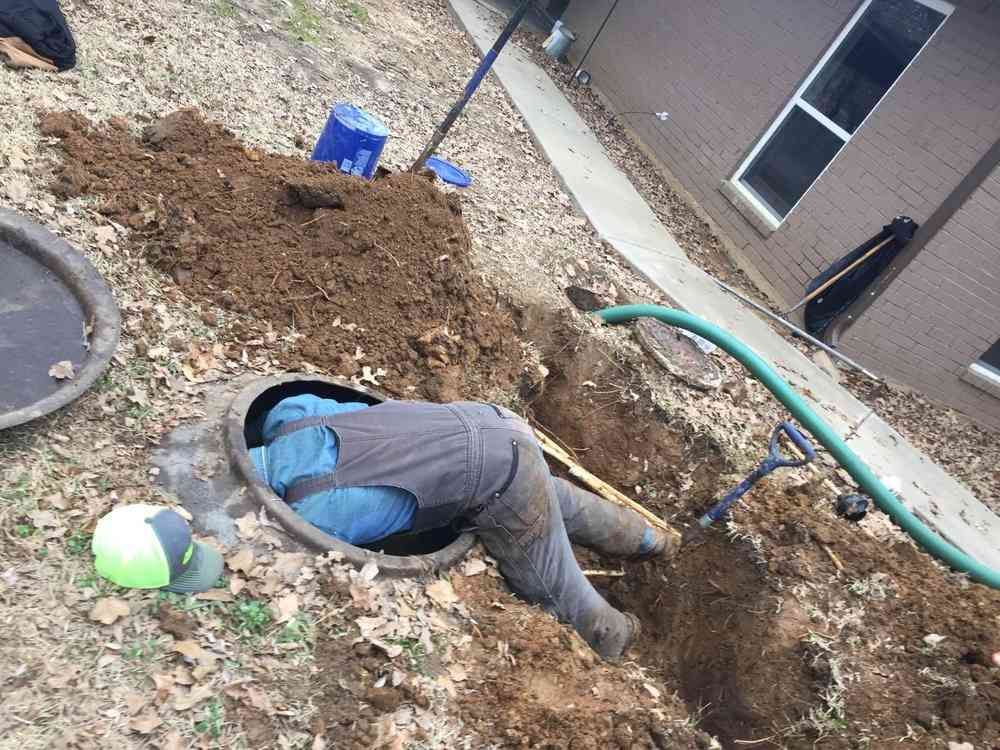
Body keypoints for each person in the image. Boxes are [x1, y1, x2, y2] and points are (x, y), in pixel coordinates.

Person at [248, 393, 675, 659]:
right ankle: (650, 539)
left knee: (552, 580)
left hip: (495, 478)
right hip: (491, 424)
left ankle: (613, 635)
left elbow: (339, 561)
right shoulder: (292, 413)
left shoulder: (316, 514)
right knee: (554, 499)